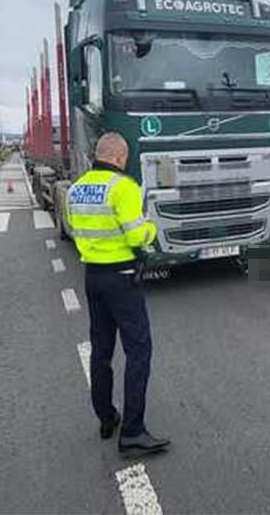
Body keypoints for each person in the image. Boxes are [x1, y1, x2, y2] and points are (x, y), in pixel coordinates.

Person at [66, 133, 169, 458]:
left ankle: (107, 418)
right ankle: (133, 433)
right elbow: (137, 235)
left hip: (93, 276)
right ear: (120, 157)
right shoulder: (124, 187)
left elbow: (75, 229)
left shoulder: (76, 188)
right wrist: (151, 228)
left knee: (101, 349)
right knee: (139, 350)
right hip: (122, 278)